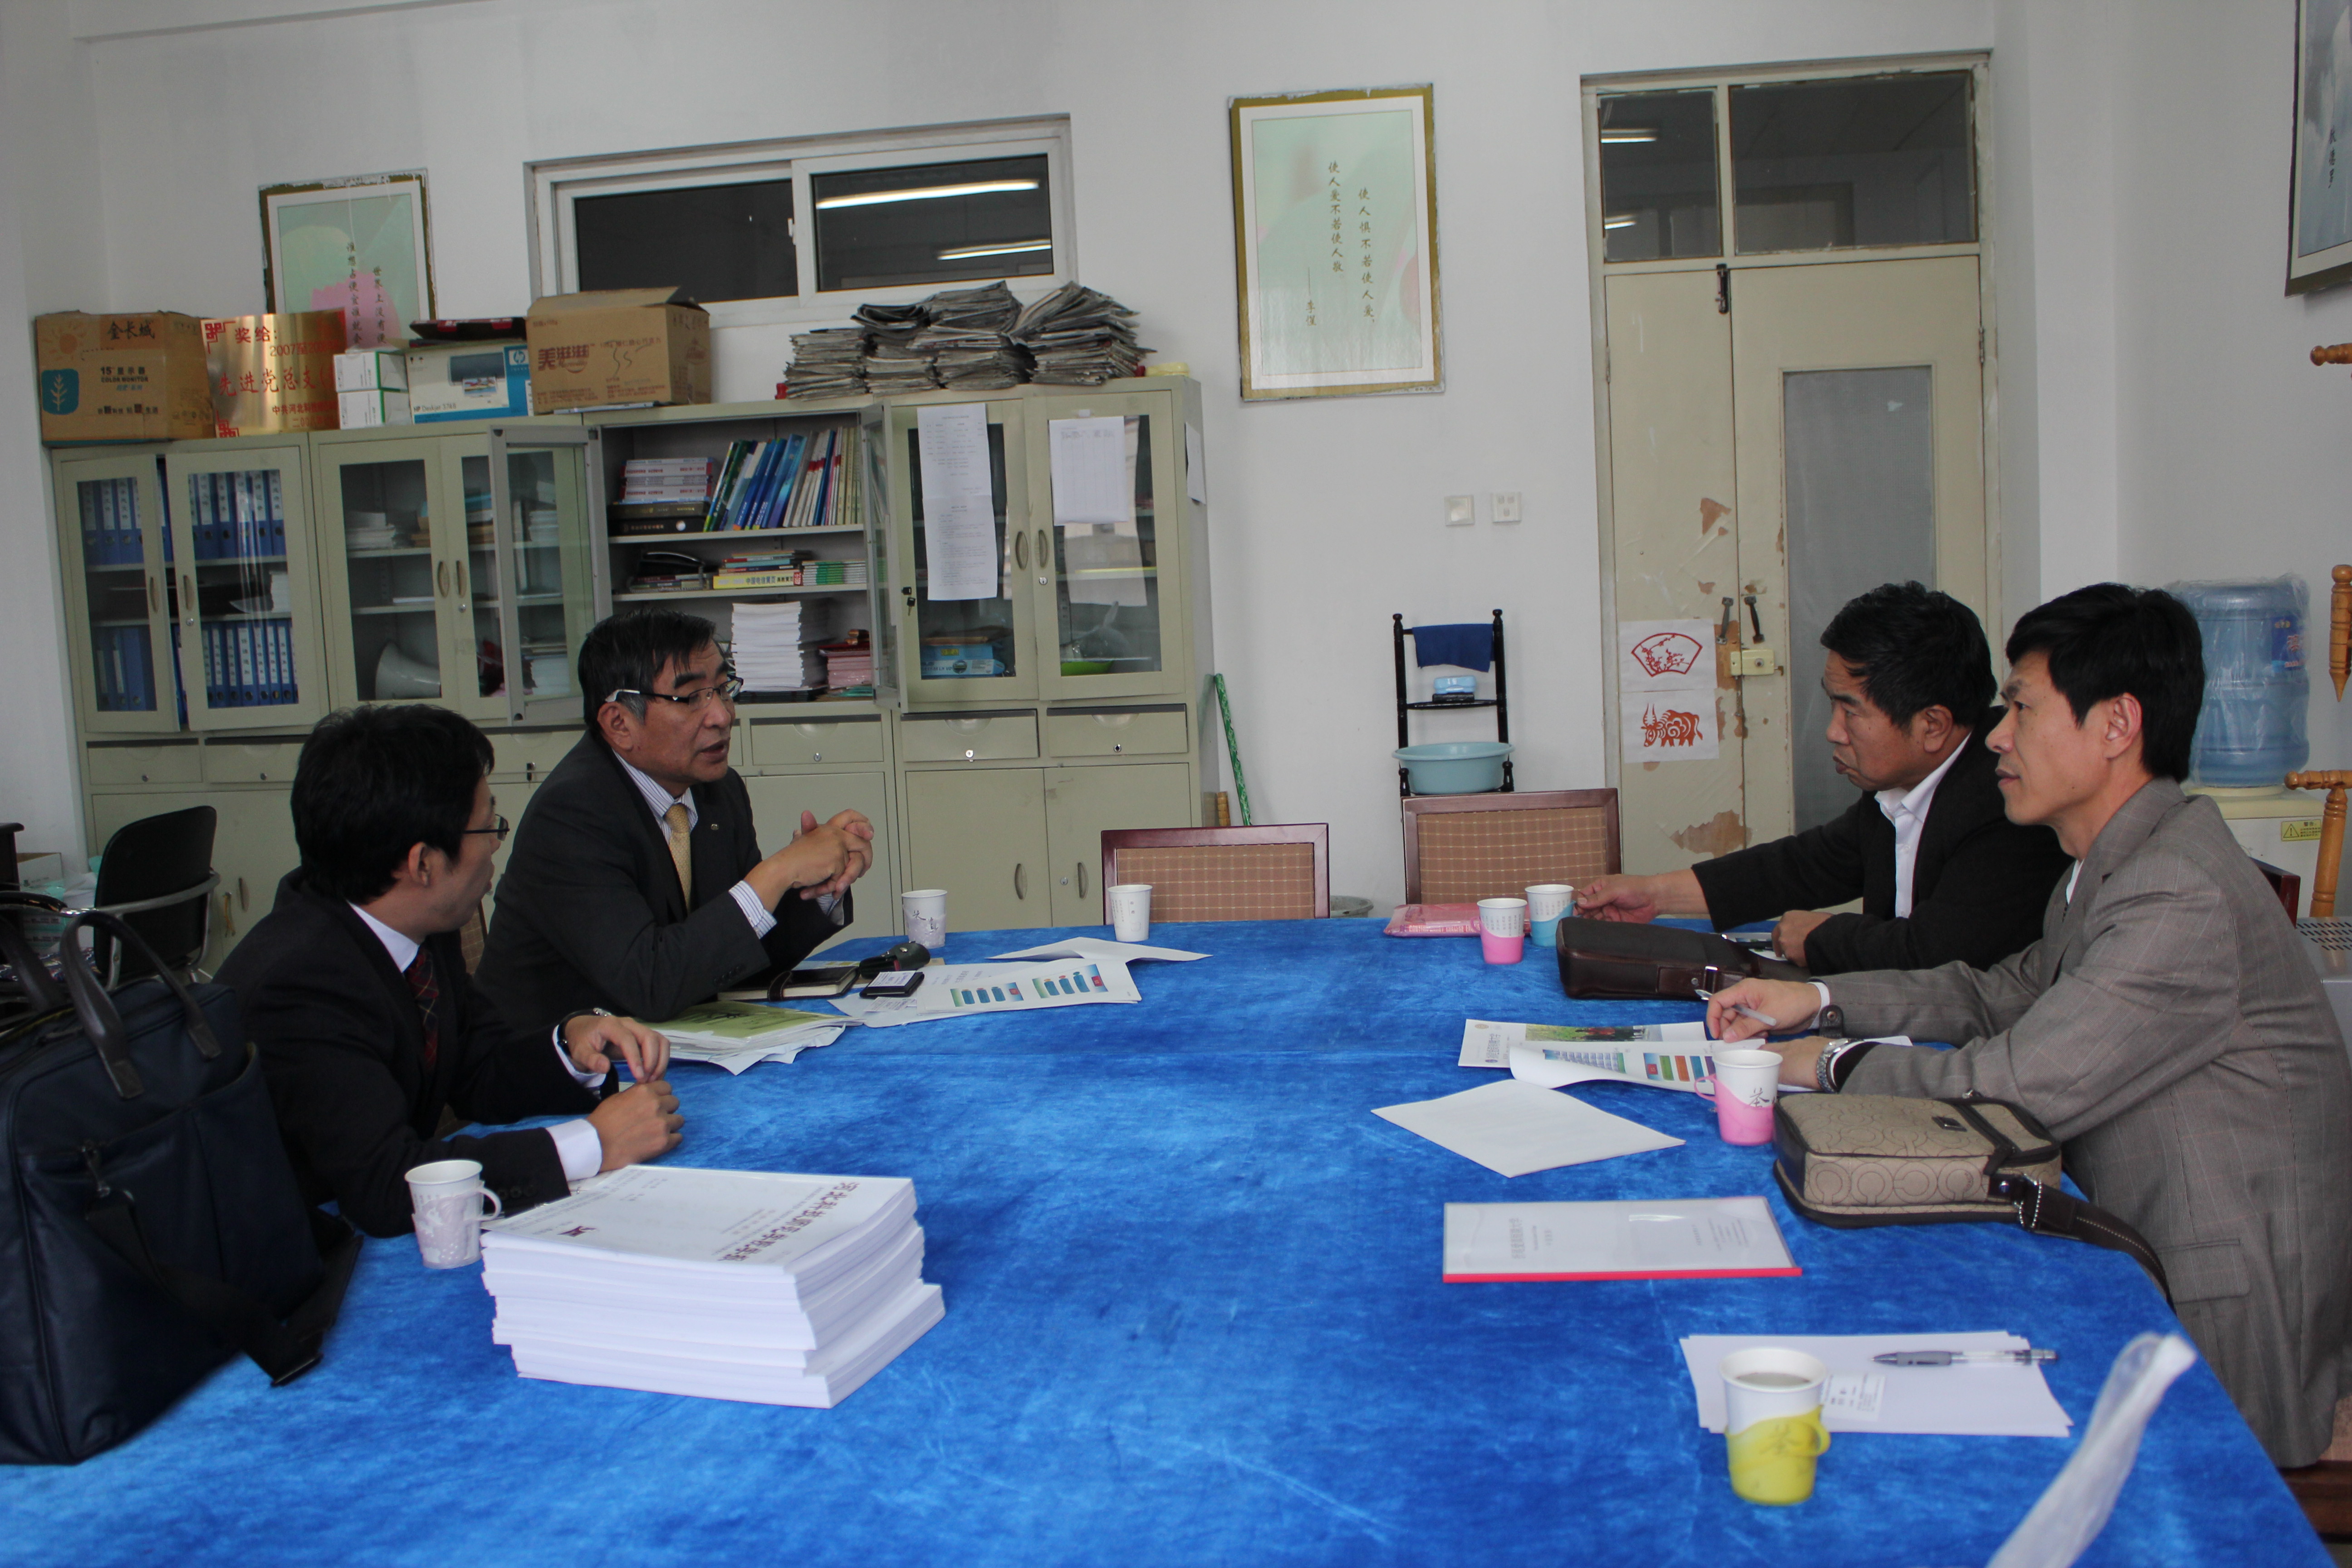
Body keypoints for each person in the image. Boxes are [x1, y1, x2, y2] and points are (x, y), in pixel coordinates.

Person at [1704, 583, 2352, 1466]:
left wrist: (1828, 1064)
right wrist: (1815, 1001)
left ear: (2116, 725)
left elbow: (2014, 1086)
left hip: (2215, 1315)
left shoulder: (2177, 892)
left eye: (2021, 708)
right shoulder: (2114, 860)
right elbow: (1996, 994)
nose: (1997, 737)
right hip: (2126, 1240)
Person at [219, 705, 684, 1238]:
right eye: (487, 825)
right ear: (422, 864)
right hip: (305, 1255)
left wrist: (571, 1045)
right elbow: (386, 1186)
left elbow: (478, 1072)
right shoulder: (300, 987)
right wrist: (591, 1146)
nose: (496, 843)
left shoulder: (414, 924)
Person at [1577, 582, 2070, 974]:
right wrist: (1656, 894)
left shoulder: (2010, 797)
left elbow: (1943, 955)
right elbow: (1805, 865)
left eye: (1850, 711)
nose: (1833, 732)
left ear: (1933, 726)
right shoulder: (1898, 786)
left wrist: (1822, 939)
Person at [475, 608, 874, 1032]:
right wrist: (778, 871)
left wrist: (818, 884)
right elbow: (650, 983)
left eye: (722, 689)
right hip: (558, 1063)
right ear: (619, 723)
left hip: (670, 1045)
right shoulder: (571, 814)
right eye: (691, 698)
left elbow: (735, 957)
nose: (722, 716)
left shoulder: (718, 791)